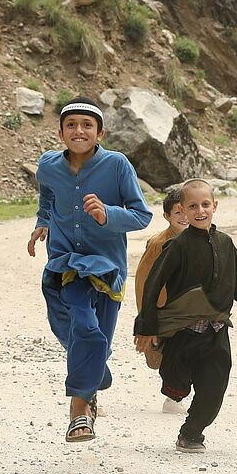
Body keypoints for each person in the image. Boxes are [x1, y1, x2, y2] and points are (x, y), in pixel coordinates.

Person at [27, 97, 152, 443]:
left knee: (98, 339)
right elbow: (47, 197)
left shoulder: (117, 165)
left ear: (100, 132)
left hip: (108, 267)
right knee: (82, 327)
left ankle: (95, 374)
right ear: (60, 132)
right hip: (67, 263)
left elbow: (142, 214)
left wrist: (107, 214)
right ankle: (78, 414)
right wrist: (42, 222)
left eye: (86, 125)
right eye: (71, 125)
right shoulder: (48, 165)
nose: (78, 131)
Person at [134, 179, 237, 453]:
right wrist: (146, 326)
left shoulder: (225, 242)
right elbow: (152, 285)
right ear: (183, 211)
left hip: (216, 330)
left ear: (215, 206)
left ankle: (191, 433)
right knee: (175, 378)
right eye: (193, 206)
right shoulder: (177, 247)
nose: (200, 211)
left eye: (205, 205)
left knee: (214, 387)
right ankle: (174, 389)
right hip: (183, 331)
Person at [133, 187, 189, 414]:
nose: (185, 217)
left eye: (189, 210)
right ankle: (173, 398)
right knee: (169, 355)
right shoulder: (158, 244)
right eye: (178, 213)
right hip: (165, 311)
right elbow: (144, 283)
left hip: (193, 311)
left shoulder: (204, 239)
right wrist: (147, 319)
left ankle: (179, 395)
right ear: (167, 216)